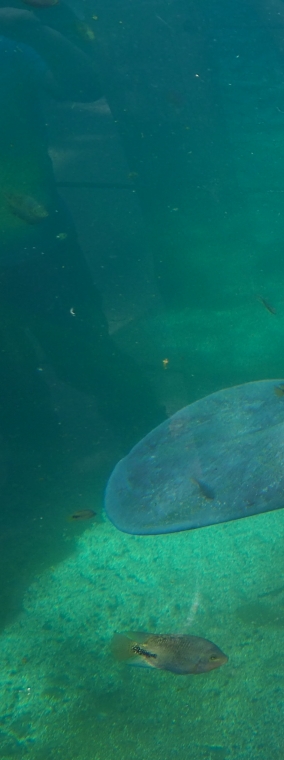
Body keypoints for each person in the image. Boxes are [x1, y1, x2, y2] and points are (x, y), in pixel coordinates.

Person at [0, 3, 162, 490]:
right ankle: (44, 485)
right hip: (34, 233)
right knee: (15, 378)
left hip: (37, 239)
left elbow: (84, 85)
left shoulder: (10, 49)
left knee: (87, 354)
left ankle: (151, 458)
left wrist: (36, 29)